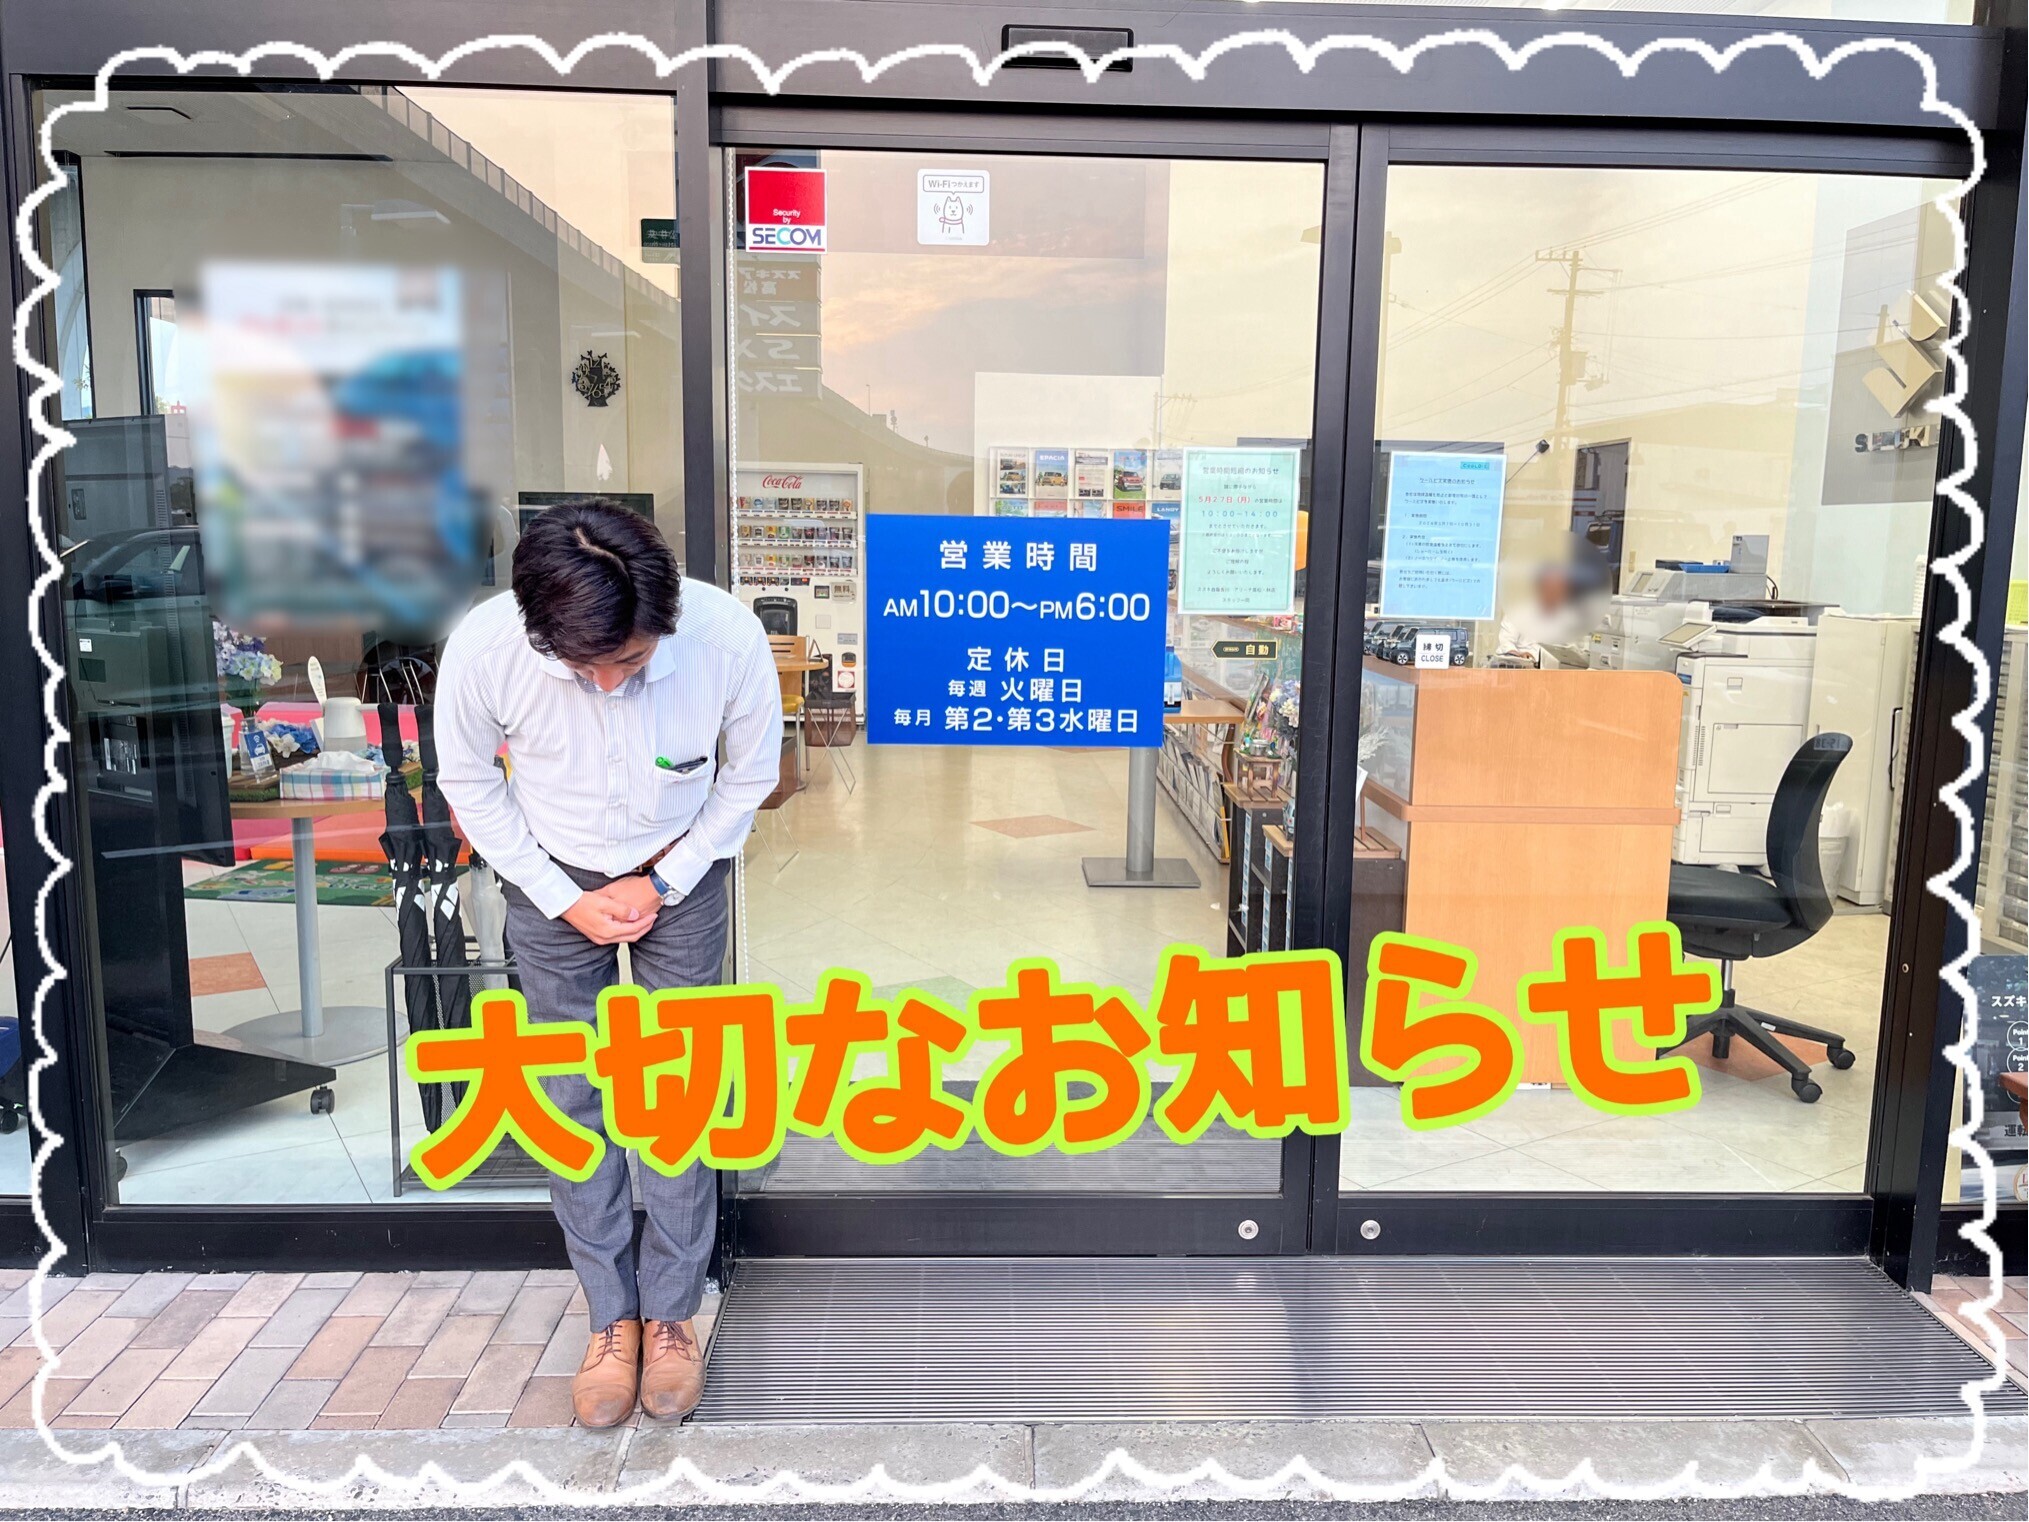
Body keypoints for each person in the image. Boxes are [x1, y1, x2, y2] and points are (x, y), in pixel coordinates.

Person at [435, 499, 783, 1426]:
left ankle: (671, 1314)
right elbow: (468, 780)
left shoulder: (725, 638)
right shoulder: (485, 648)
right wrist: (563, 897)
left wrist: (663, 882)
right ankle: (608, 1316)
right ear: (537, 626)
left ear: (665, 619)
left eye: (628, 662)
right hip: (548, 874)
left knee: (676, 1090)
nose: (606, 683)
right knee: (572, 1096)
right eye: (580, 665)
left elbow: (750, 774)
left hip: (684, 867)